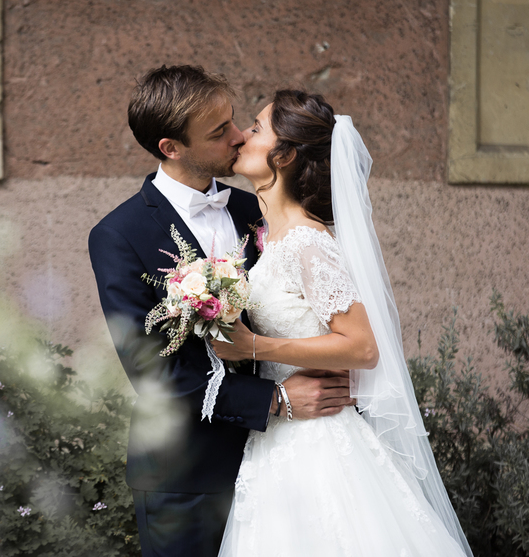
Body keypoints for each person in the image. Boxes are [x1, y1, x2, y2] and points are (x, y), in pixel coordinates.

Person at [88, 66, 354, 557]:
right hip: (186, 475)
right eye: (218, 132)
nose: (238, 137)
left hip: (285, 459)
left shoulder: (255, 209)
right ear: (171, 147)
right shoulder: (119, 236)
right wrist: (275, 400)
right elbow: (153, 373)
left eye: (234, 121)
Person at [211, 90, 473, 557]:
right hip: (279, 437)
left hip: (320, 444)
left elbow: (362, 348)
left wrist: (255, 346)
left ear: (284, 155)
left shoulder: (308, 244)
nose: (242, 136)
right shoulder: (273, 240)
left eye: (256, 127)